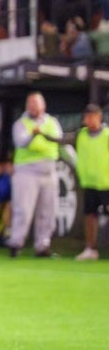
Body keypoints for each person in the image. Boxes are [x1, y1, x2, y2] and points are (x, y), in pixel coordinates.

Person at [6, 91, 62, 258]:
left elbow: (59, 139)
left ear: (43, 106)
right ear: (27, 107)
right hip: (27, 170)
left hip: (49, 169)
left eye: (37, 105)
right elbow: (21, 142)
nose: (35, 109)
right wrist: (33, 134)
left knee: (47, 210)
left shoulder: (52, 122)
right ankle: (16, 243)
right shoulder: (21, 124)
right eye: (31, 105)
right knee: (23, 208)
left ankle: (43, 245)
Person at [74, 104, 109, 261]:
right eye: (86, 117)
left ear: (99, 117)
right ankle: (90, 249)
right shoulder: (80, 135)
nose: (89, 120)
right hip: (89, 183)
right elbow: (60, 139)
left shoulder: (107, 135)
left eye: (92, 116)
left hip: (106, 182)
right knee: (89, 215)